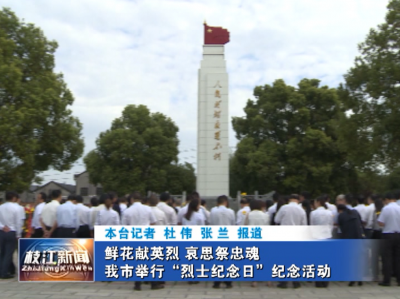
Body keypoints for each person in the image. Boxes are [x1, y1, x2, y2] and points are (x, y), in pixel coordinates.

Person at [121, 192, 161, 291]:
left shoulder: (127, 211)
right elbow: (153, 222)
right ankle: (153, 283)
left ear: (131, 200)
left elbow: (124, 227)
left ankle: (137, 284)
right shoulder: (148, 209)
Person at [274, 194, 306, 289]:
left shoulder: (284, 207)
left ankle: (283, 282)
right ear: (298, 200)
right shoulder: (301, 210)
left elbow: (276, 220)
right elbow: (304, 225)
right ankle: (296, 282)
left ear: (289, 199)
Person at [210, 195, 235, 289]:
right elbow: (233, 224)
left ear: (217, 203)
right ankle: (228, 282)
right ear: (226, 202)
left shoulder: (213, 211)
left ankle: (217, 282)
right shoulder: (231, 211)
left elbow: (211, 223)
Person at [337, 204, 365, 286]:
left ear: (339, 210)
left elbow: (341, 229)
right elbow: (360, 223)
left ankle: (352, 279)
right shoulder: (355, 212)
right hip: (358, 237)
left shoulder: (341, 216)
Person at [377, 192, 400, 287]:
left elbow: (381, 223)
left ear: (386, 199)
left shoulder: (386, 208)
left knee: (387, 258)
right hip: (398, 234)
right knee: (398, 258)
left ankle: (387, 280)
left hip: (388, 235)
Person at [310, 196, 334, 288]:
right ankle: (326, 281)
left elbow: (312, 225)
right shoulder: (329, 212)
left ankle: (318, 281)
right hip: (327, 236)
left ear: (318, 202)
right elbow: (331, 225)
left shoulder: (313, 213)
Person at [0, 191, 20, 279]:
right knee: (9, 253)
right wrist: (18, 234)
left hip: (2, 231)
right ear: (14, 198)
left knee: (2, 253)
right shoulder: (17, 208)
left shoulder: (1, 207)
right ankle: (4, 272)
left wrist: (2, 227)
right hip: (12, 231)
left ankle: (2, 270)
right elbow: (18, 222)